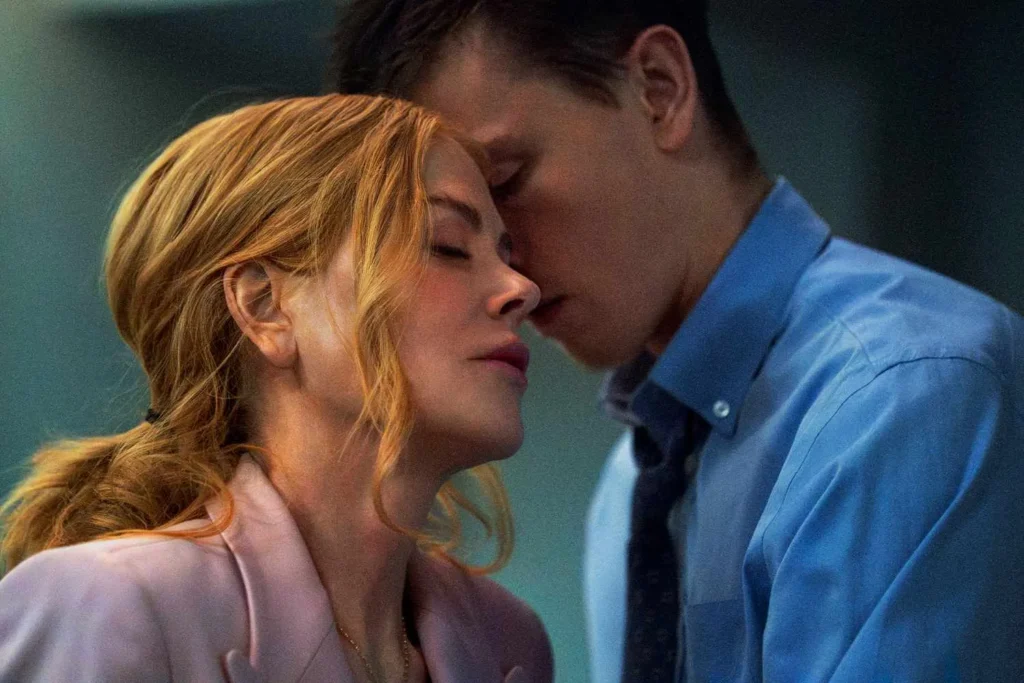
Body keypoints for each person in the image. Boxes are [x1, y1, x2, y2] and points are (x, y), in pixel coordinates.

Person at [331, 2, 1024, 681]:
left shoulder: (906, 391)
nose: (508, 275)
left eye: (506, 183)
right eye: (450, 235)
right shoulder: (628, 490)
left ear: (658, 88)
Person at [0, 94, 554, 683]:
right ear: (264, 306)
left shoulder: (510, 642)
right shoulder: (112, 606)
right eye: (446, 245)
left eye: (506, 254)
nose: (522, 289)